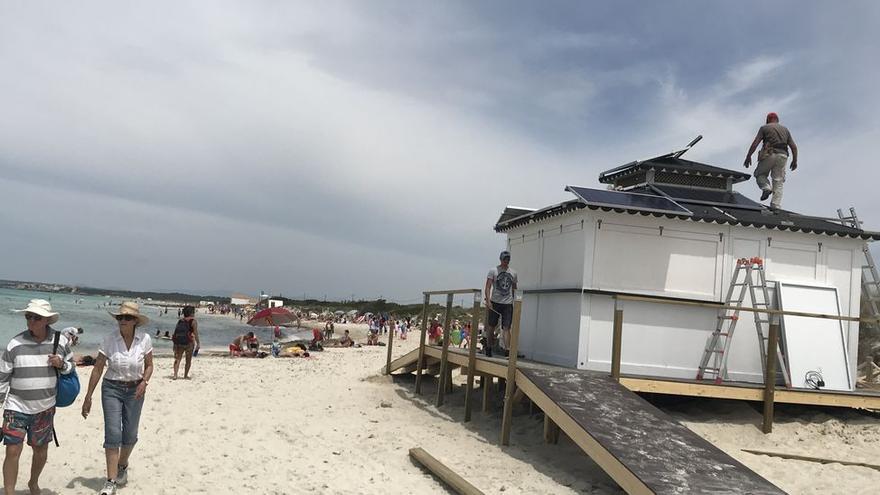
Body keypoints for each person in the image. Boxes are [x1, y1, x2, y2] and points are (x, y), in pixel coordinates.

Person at [0, 299, 74, 495]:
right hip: (15, 406)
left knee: (40, 450)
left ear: (47, 320)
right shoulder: (15, 343)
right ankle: (9, 492)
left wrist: (62, 364)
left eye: (36, 317)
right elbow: (2, 377)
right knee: (12, 450)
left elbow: (71, 368)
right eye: (28, 316)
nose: (31, 320)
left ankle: (33, 483)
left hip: (45, 407)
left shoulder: (61, 341)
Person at [81, 302, 154, 495]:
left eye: (127, 318)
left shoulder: (144, 339)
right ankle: (111, 480)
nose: (123, 321)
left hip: (135, 390)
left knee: (130, 433)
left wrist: (144, 382)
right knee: (113, 433)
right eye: (120, 317)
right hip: (111, 388)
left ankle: (122, 464)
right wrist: (88, 396)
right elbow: (97, 368)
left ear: (135, 321)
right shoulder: (109, 340)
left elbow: (149, 365)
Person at [743, 112, 798, 210]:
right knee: (778, 180)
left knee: (760, 174)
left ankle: (766, 188)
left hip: (769, 154)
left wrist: (748, 156)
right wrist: (794, 161)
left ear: (768, 120)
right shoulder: (785, 130)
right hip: (783, 156)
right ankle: (776, 205)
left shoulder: (765, 128)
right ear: (777, 120)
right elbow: (793, 147)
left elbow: (755, 143)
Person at [484, 250, 518, 358]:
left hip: (507, 303)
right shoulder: (493, 271)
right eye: (504, 259)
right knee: (491, 326)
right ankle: (489, 347)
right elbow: (488, 286)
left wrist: (514, 300)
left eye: (508, 259)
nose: (506, 261)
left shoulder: (513, 273)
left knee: (506, 327)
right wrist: (488, 301)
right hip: (495, 302)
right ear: (500, 259)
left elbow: (514, 288)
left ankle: (508, 350)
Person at [172, 305, 200, 379]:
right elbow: (196, 333)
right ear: (191, 313)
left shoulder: (180, 320)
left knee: (178, 359)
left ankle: (175, 375)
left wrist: (174, 343)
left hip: (179, 342)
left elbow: (175, 332)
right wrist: (198, 343)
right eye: (193, 312)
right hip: (189, 342)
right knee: (188, 360)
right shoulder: (193, 321)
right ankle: (185, 375)